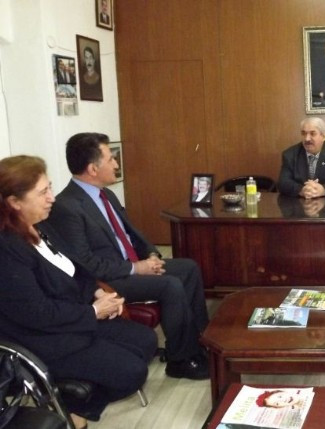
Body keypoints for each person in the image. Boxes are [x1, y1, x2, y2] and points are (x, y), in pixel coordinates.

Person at [0, 155, 157, 429]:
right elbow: (37, 313)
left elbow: (76, 268)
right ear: (15, 202)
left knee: (146, 341)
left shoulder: (41, 225)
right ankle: (74, 410)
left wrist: (98, 293)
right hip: (42, 337)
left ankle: (73, 407)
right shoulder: (7, 249)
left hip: (75, 317)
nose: (52, 197)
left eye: (50, 187)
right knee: (132, 372)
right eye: (43, 192)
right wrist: (93, 312)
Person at [45, 132, 210, 380]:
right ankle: (181, 360)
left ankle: (200, 341)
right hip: (108, 280)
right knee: (170, 285)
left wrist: (151, 255)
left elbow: (132, 233)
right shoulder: (66, 207)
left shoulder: (106, 194)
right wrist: (136, 268)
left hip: (129, 265)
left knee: (188, 268)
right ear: (92, 169)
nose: (116, 164)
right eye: (111, 159)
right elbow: (85, 263)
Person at [277, 117, 325, 198]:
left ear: (323, 135)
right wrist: (301, 190)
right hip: (299, 203)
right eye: (304, 133)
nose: (307, 139)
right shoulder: (290, 154)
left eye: (312, 134)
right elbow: (282, 183)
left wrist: (324, 190)